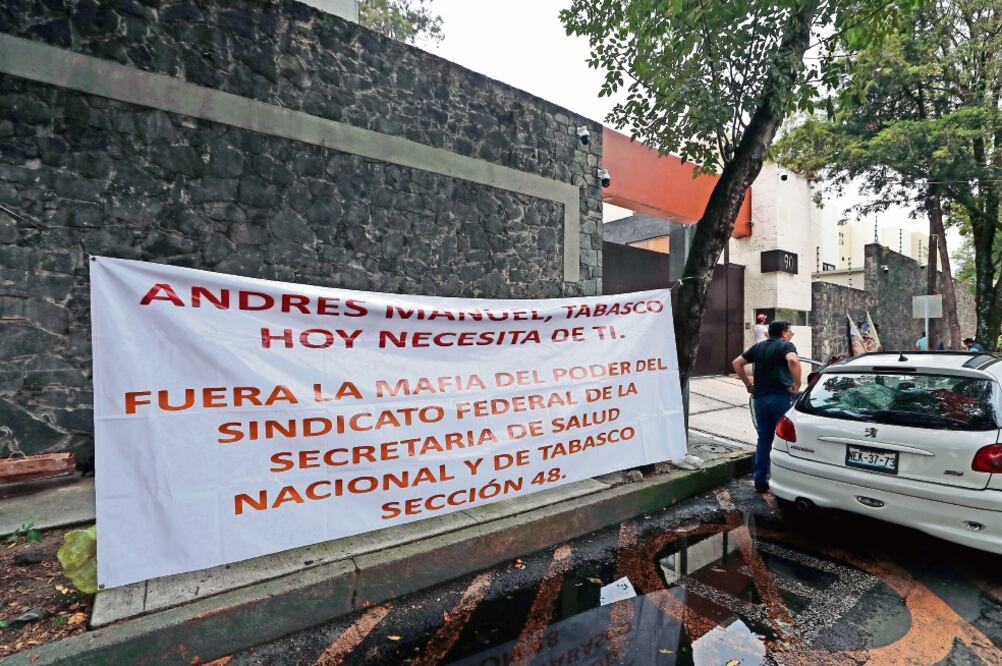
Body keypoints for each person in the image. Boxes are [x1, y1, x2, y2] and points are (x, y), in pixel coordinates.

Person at [732, 320, 802, 493]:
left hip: (760, 399)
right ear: (783, 333)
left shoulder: (759, 347)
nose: (791, 335)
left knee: (764, 439)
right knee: (785, 439)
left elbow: (736, 363)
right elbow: (793, 361)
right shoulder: (786, 346)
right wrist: (797, 383)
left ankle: (760, 480)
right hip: (780, 398)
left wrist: (748, 384)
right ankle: (785, 481)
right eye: (790, 331)